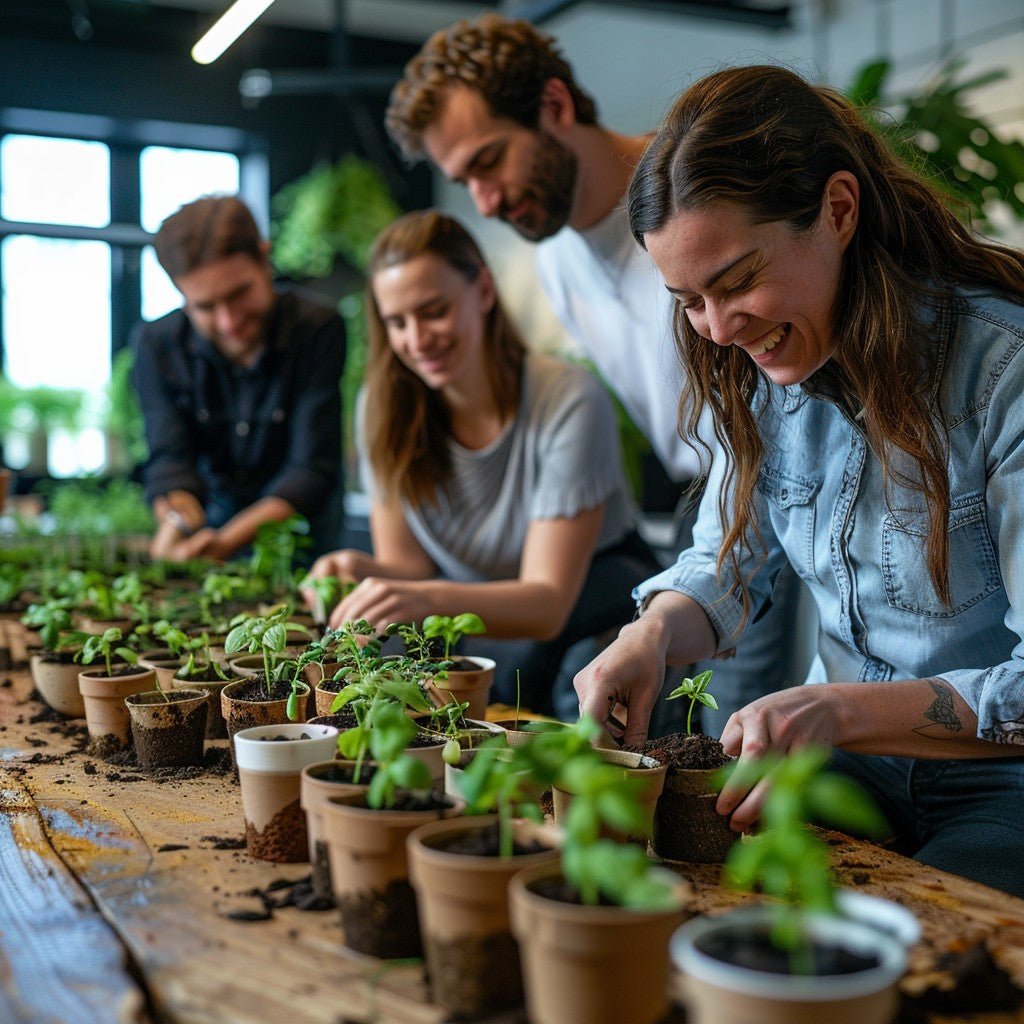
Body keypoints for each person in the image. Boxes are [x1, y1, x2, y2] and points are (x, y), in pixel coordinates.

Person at [575, 64, 1024, 897]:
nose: (717, 328)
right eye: (689, 300)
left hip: (1005, 787)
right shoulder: (761, 377)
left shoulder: (1004, 374)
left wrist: (837, 709)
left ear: (838, 210)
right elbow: (725, 564)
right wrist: (655, 635)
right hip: (849, 767)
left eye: (738, 280)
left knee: (930, 937)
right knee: (704, 895)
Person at [384, 14, 809, 734]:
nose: (483, 201)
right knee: (673, 740)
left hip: (776, 492)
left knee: (737, 743)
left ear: (554, 106)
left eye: (489, 163)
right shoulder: (556, 263)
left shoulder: (691, 209)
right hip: (698, 508)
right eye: (463, 181)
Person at [303, 209, 662, 715]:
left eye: (434, 311)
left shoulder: (567, 400)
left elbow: (545, 605)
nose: (417, 338)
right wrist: (359, 568)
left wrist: (422, 599)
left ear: (484, 292)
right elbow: (409, 566)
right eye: (397, 322)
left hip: (583, 607)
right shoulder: (380, 409)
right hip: (471, 611)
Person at [130, 195, 346, 563]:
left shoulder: (317, 329)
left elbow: (310, 468)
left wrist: (227, 543)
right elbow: (170, 460)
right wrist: (176, 523)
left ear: (265, 257)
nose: (229, 321)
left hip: (300, 534)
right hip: (211, 520)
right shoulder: (158, 344)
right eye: (205, 307)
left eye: (239, 293)